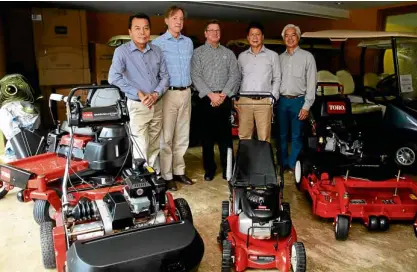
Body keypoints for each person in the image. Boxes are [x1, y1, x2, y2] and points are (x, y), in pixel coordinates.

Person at [108, 13, 169, 172]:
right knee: (141, 144)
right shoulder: (122, 52)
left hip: (157, 103)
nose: (142, 32)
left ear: (150, 31)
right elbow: (113, 77)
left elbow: (165, 77)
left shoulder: (157, 51)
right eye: (137, 28)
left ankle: (153, 176)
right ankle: (142, 178)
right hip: (138, 105)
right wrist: (138, 93)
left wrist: (156, 94)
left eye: (146, 28)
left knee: (155, 143)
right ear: (130, 32)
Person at [191, 19, 240, 181]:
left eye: (217, 30)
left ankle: (228, 170)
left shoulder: (228, 53)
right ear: (205, 33)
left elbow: (235, 75)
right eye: (211, 30)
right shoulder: (198, 53)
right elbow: (195, 76)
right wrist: (211, 95)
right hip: (206, 100)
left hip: (224, 99)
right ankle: (209, 169)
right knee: (207, 138)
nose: (215, 33)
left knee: (226, 138)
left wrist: (223, 94)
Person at [152, 6, 194, 191]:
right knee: (166, 137)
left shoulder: (188, 42)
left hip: (186, 93)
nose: (179, 22)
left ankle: (179, 171)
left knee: (183, 136)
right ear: (166, 20)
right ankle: (167, 175)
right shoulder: (158, 44)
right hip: (167, 94)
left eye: (181, 19)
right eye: (175, 18)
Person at [277, 24, 317, 171]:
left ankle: (294, 165)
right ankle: (282, 164)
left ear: (298, 37)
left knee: (297, 136)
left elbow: (312, 83)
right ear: (283, 39)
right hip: (281, 101)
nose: (290, 38)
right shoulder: (279, 58)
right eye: (286, 35)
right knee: (281, 135)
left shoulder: (308, 57)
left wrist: (307, 106)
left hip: (299, 101)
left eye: (293, 35)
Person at [236, 21, 280, 143]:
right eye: (252, 34)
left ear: (263, 37)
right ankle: (246, 162)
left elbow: (277, 79)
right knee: (244, 137)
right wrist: (236, 99)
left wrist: (272, 99)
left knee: (264, 138)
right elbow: (237, 78)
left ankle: (263, 162)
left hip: (264, 102)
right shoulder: (242, 57)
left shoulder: (273, 56)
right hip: (245, 101)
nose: (255, 37)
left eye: (258, 34)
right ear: (248, 37)